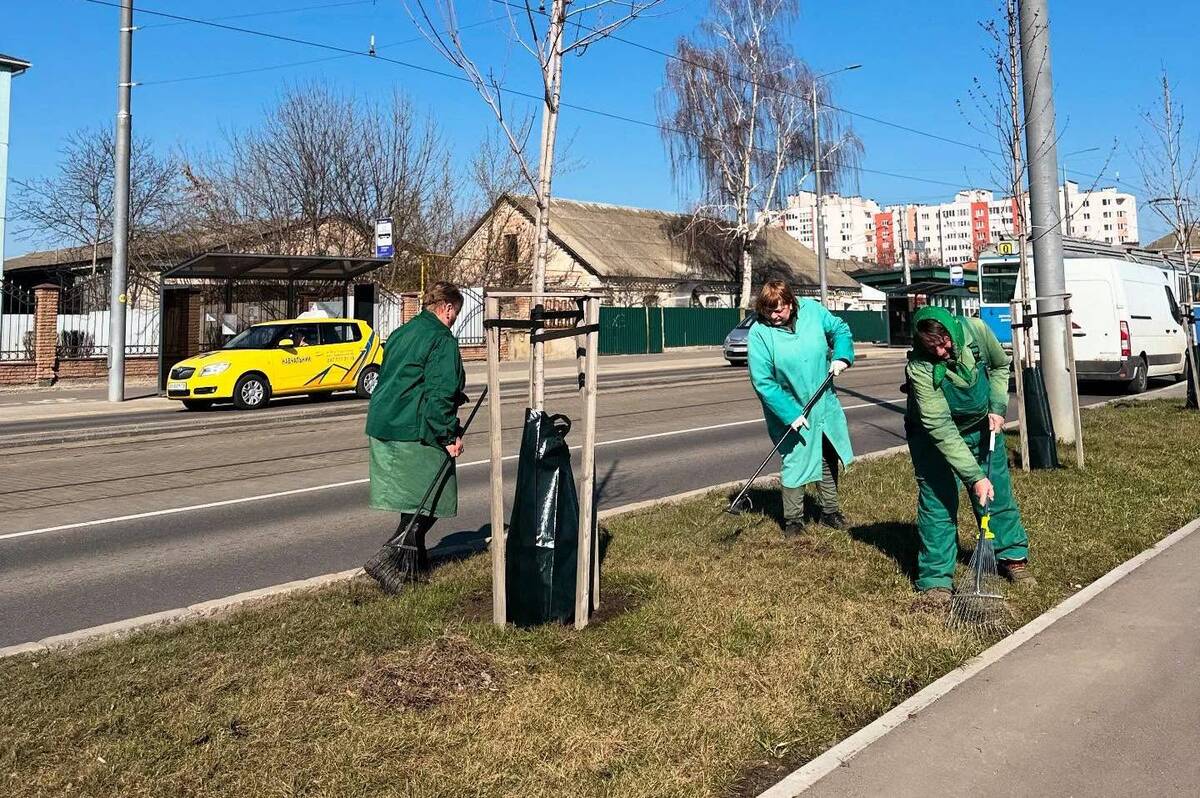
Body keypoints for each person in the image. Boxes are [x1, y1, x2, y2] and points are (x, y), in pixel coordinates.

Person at [904, 305, 1035, 606]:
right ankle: (936, 581)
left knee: (996, 490)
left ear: (952, 331)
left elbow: (1002, 366)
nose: (940, 352)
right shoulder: (920, 368)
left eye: (944, 343)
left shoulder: (976, 331)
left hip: (982, 425)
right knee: (937, 500)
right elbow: (941, 428)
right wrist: (974, 477)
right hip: (932, 436)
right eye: (931, 347)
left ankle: (1012, 557)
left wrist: (998, 407)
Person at [363, 281, 467, 590]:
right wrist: (449, 436)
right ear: (447, 308)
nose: (455, 320)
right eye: (455, 313)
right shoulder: (441, 339)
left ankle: (413, 571)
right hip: (414, 426)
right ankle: (387, 556)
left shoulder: (402, 332)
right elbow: (440, 394)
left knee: (412, 499)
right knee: (432, 497)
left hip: (385, 422)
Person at [747, 280, 855, 535]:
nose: (773, 316)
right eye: (767, 311)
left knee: (828, 453)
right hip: (791, 406)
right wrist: (789, 413)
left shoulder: (812, 311)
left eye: (778, 310)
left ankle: (830, 512)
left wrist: (841, 355)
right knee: (795, 460)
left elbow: (839, 329)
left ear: (791, 302)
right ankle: (794, 521)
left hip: (823, 402)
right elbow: (763, 381)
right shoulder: (760, 333)